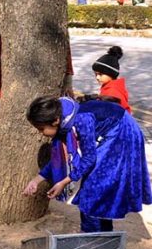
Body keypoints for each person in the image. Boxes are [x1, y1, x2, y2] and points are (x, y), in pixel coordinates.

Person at [22, 96, 151, 232]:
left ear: (55, 120)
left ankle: (94, 241)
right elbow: (59, 158)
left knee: (92, 193)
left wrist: (64, 182)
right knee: (94, 192)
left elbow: (89, 159)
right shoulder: (63, 119)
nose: (41, 133)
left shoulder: (81, 120)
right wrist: (36, 180)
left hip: (122, 132)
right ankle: (102, 237)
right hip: (109, 134)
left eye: (42, 129)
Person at [92, 46, 131, 113]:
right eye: (96, 74)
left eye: (100, 74)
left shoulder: (111, 93)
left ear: (111, 74)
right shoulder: (114, 87)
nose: (97, 77)